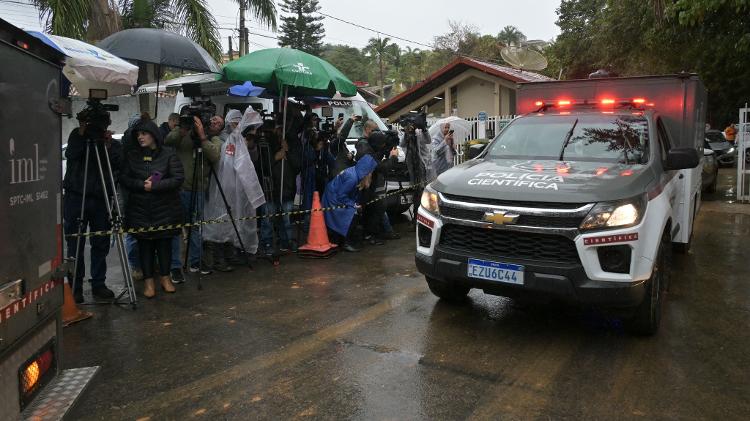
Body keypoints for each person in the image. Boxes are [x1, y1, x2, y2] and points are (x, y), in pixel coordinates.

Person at [120, 119, 184, 298]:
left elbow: (178, 178)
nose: (140, 137)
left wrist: (155, 186)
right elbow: (124, 178)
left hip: (165, 209)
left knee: (164, 244)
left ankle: (165, 278)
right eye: (138, 135)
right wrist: (142, 185)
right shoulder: (132, 155)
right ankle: (149, 282)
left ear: (153, 135)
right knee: (144, 246)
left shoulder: (169, 154)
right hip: (140, 210)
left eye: (144, 133)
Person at [63, 112, 121, 303]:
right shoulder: (76, 136)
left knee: (101, 242)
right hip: (76, 197)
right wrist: (81, 131)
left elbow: (117, 165)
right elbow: (71, 154)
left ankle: (98, 283)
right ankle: (75, 286)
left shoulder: (110, 143)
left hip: (100, 197)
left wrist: (109, 144)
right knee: (75, 244)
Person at [203, 109, 266, 264]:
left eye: (239, 122)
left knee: (237, 222)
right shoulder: (220, 140)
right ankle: (219, 258)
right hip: (220, 190)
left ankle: (232, 254)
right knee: (220, 224)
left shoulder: (241, 141)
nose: (236, 125)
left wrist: (250, 146)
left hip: (237, 190)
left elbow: (250, 163)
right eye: (234, 122)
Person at [165, 114, 223, 276]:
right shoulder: (183, 134)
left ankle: (195, 262)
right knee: (176, 229)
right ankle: (175, 266)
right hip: (180, 189)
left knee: (195, 227)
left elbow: (215, 156)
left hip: (198, 190)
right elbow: (168, 141)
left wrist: (203, 137)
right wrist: (183, 128)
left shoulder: (213, 138)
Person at [322, 154, 378, 252]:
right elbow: (341, 195)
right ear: (367, 171)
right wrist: (353, 204)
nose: (372, 173)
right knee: (352, 214)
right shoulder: (353, 178)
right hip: (333, 198)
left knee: (354, 212)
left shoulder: (355, 173)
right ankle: (345, 242)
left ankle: (343, 240)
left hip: (334, 194)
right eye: (371, 171)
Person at [355, 131, 399, 245]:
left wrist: (386, 150)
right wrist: (393, 157)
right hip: (365, 185)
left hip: (369, 184)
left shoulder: (369, 148)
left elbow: (378, 157)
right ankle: (369, 235)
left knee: (375, 208)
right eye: (382, 144)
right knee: (374, 208)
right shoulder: (367, 154)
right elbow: (382, 167)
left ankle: (371, 234)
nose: (383, 146)